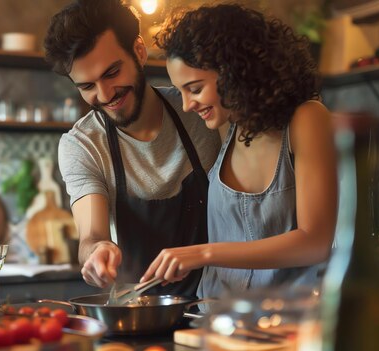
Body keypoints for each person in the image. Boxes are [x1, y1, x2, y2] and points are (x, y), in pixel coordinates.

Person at [140, 4, 338, 299]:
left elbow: (316, 242)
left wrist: (205, 254)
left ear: (234, 71)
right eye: (180, 91)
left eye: (194, 89)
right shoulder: (227, 127)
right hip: (214, 319)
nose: (186, 105)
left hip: (284, 325)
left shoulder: (307, 119)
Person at [43, 0, 221, 297]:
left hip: (214, 308)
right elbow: (91, 235)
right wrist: (96, 252)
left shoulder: (199, 111)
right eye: (87, 86)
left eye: (112, 73)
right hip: (136, 315)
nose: (104, 94)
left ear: (139, 51)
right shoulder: (82, 145)